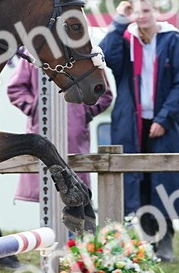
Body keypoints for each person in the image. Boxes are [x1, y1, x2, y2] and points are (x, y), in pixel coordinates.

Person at [100, 0, 179, 261]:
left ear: (156, 12)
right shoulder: (125, 40)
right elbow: (105, 56)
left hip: (165, 123)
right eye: (135, 11)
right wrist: (119, 21)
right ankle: (147, 241)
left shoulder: (173, 40)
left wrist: (164, 119)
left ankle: (166, 239)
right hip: (131, 123)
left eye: (145, 10)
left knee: (163, 181)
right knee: (136, 183)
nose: (140, 16)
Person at [6, 55, 113, 224]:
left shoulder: (83, 52)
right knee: (47, 186)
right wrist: (34, 108)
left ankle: (75, 238)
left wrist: (84, 113)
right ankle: (50, 234)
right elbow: (15, 88)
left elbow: (104, 93)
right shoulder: (33, 52)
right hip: (43, 129)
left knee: (76, 183)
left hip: (74, 134)